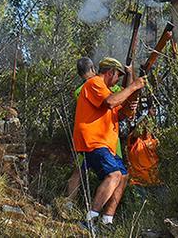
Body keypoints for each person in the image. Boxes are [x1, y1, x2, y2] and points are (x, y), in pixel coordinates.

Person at [73, 57, 145, 230]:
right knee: (114, 175)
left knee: (123, 176)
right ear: (110, 72)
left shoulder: (106, 90)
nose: (118, 80)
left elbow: (119, 114)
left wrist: (129, 106)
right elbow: (110, 102)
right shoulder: (95, 83)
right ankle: (90, 220)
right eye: (118, 75)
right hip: (94, 141)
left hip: (105, 144)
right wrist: (133, 86)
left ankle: (107, 220)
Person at [64, 57, 98, 205]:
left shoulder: (79, 90)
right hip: (99, 138)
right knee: (114, 174)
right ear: (93, 69)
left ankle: (69, 202)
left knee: (78, 171)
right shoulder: (99, 85)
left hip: (83, 137)